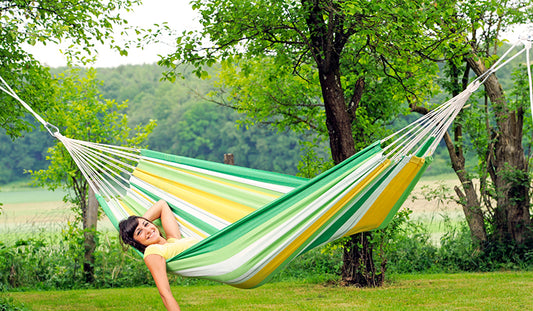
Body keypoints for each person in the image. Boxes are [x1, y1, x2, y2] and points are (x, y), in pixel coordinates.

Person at [119, 200, 199, 311]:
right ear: (135, 242)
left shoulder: (173, 239)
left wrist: (136, 223)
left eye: (147, 224)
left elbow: (162, 205)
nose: (147, 230)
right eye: (139, 232)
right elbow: (165, 293)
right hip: (219, 256)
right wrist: (129, 232)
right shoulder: (152, 251)